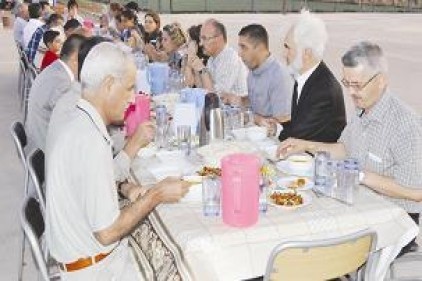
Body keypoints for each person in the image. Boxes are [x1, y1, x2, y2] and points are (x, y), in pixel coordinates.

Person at [45, 42, 190, 279]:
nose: (132, 99)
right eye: (129, 88)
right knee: (182, 264)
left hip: (84, 256)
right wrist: (157, 194)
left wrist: (125, 184)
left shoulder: (80, 121)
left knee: (160, 240)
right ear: (109, 85)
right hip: (96, 271)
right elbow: (108, 232)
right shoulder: (88, 139)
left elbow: (94, 178)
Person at [277, 41, 422, 254]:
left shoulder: (405, 125)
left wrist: (360, 175)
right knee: (298, 218)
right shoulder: (363, 108)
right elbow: (344, 149)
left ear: (381, 81)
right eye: (347, 83)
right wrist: (306, 145)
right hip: (359, 207)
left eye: (358, 85)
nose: (352, 92)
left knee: (312, 244)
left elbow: (416, 192)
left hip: (392, 224)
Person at [275, 10, 346, 143]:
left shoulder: (324, 90)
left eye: (287, 47)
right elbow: (300, 123)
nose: (284, 54)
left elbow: (297, 136)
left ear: (306, 53)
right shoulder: (304, 76)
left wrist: (275, 129)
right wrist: (277, 124)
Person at [26, 34, 86, 152]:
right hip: (47, 154)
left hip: (38, 143)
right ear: (75, 58)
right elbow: (74, 127)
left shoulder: (56, 69)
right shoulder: (63, 83)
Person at [237, 24, 293, 124]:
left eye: (244, 47)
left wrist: (251, 118)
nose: (240, 53)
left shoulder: (279, 76)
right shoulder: (253, 71)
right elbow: (259, 102)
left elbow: (283, 122)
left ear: (259, 48)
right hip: (255, 134)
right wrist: (239, 100)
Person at [190, 19, 248, 104]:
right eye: (201, 39)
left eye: (205, 38)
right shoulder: (212, 59)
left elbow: (214, 99)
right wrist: (195, 67)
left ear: (219, 39)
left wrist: (203, 70)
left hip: (236, 113)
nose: (200, 44)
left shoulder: (229, 58)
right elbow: (203, 90)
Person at [183, 24, 209, 88]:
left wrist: (191, 55)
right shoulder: (191, 57)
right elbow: (186, 83)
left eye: (189, 40)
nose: (187, 43)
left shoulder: (206, 61)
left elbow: (192, 85)